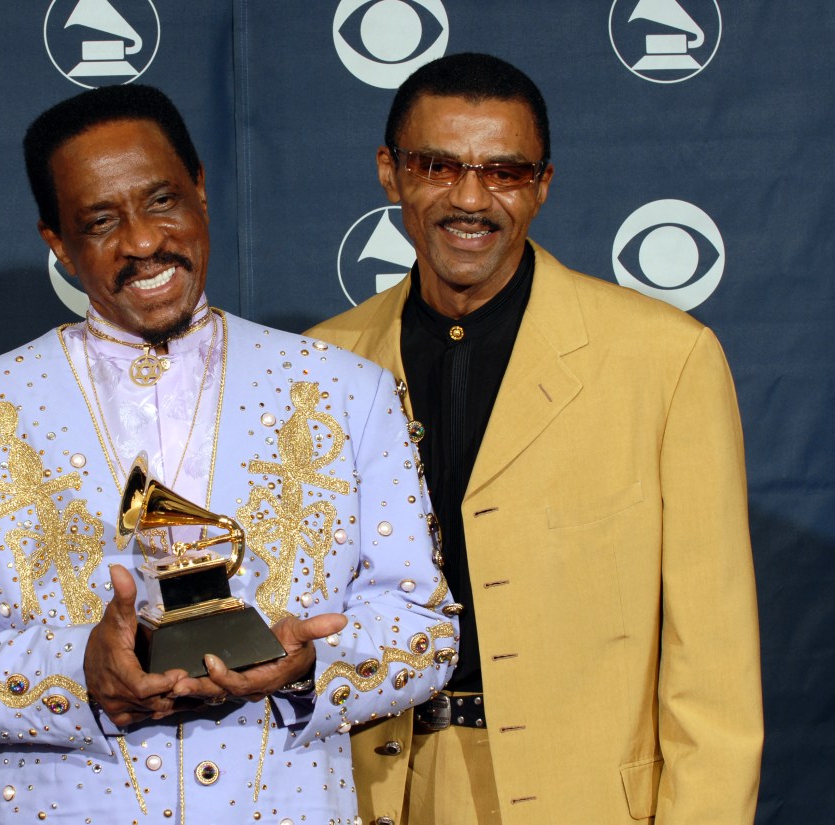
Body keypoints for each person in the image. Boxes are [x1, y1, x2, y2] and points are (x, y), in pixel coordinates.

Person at [0, 83, 458, 823]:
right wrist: (80, 670)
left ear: (202, 193)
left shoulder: (348, 394)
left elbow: (424, 626)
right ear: (56, 241)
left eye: (162, 201)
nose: (144, 242)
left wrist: (313, 666)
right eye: (100, 220)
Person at [307, 53, 763, 825]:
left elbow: (713, 669)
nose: (470, 197)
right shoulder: (319, 364)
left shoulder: (666, 358)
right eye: (438, 165)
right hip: (366, 791)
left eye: (505, 172)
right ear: (390, 173)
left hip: (577, 797)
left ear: (543, 184)